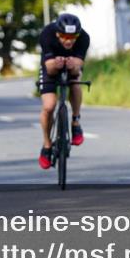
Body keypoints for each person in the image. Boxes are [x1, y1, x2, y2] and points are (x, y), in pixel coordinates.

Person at [37, 13, 90, 170]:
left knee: (75, 82)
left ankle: (75, 122)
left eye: (72, 37)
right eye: (64, 36)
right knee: (49, 106)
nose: (69, 40)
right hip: (50, 66)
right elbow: (49, 69)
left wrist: (72, 65)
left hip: (72, 66)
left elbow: (78, 66)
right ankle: (46, 146)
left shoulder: (84, 38)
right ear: (57, 33)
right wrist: (56, 64)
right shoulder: (47, 34)